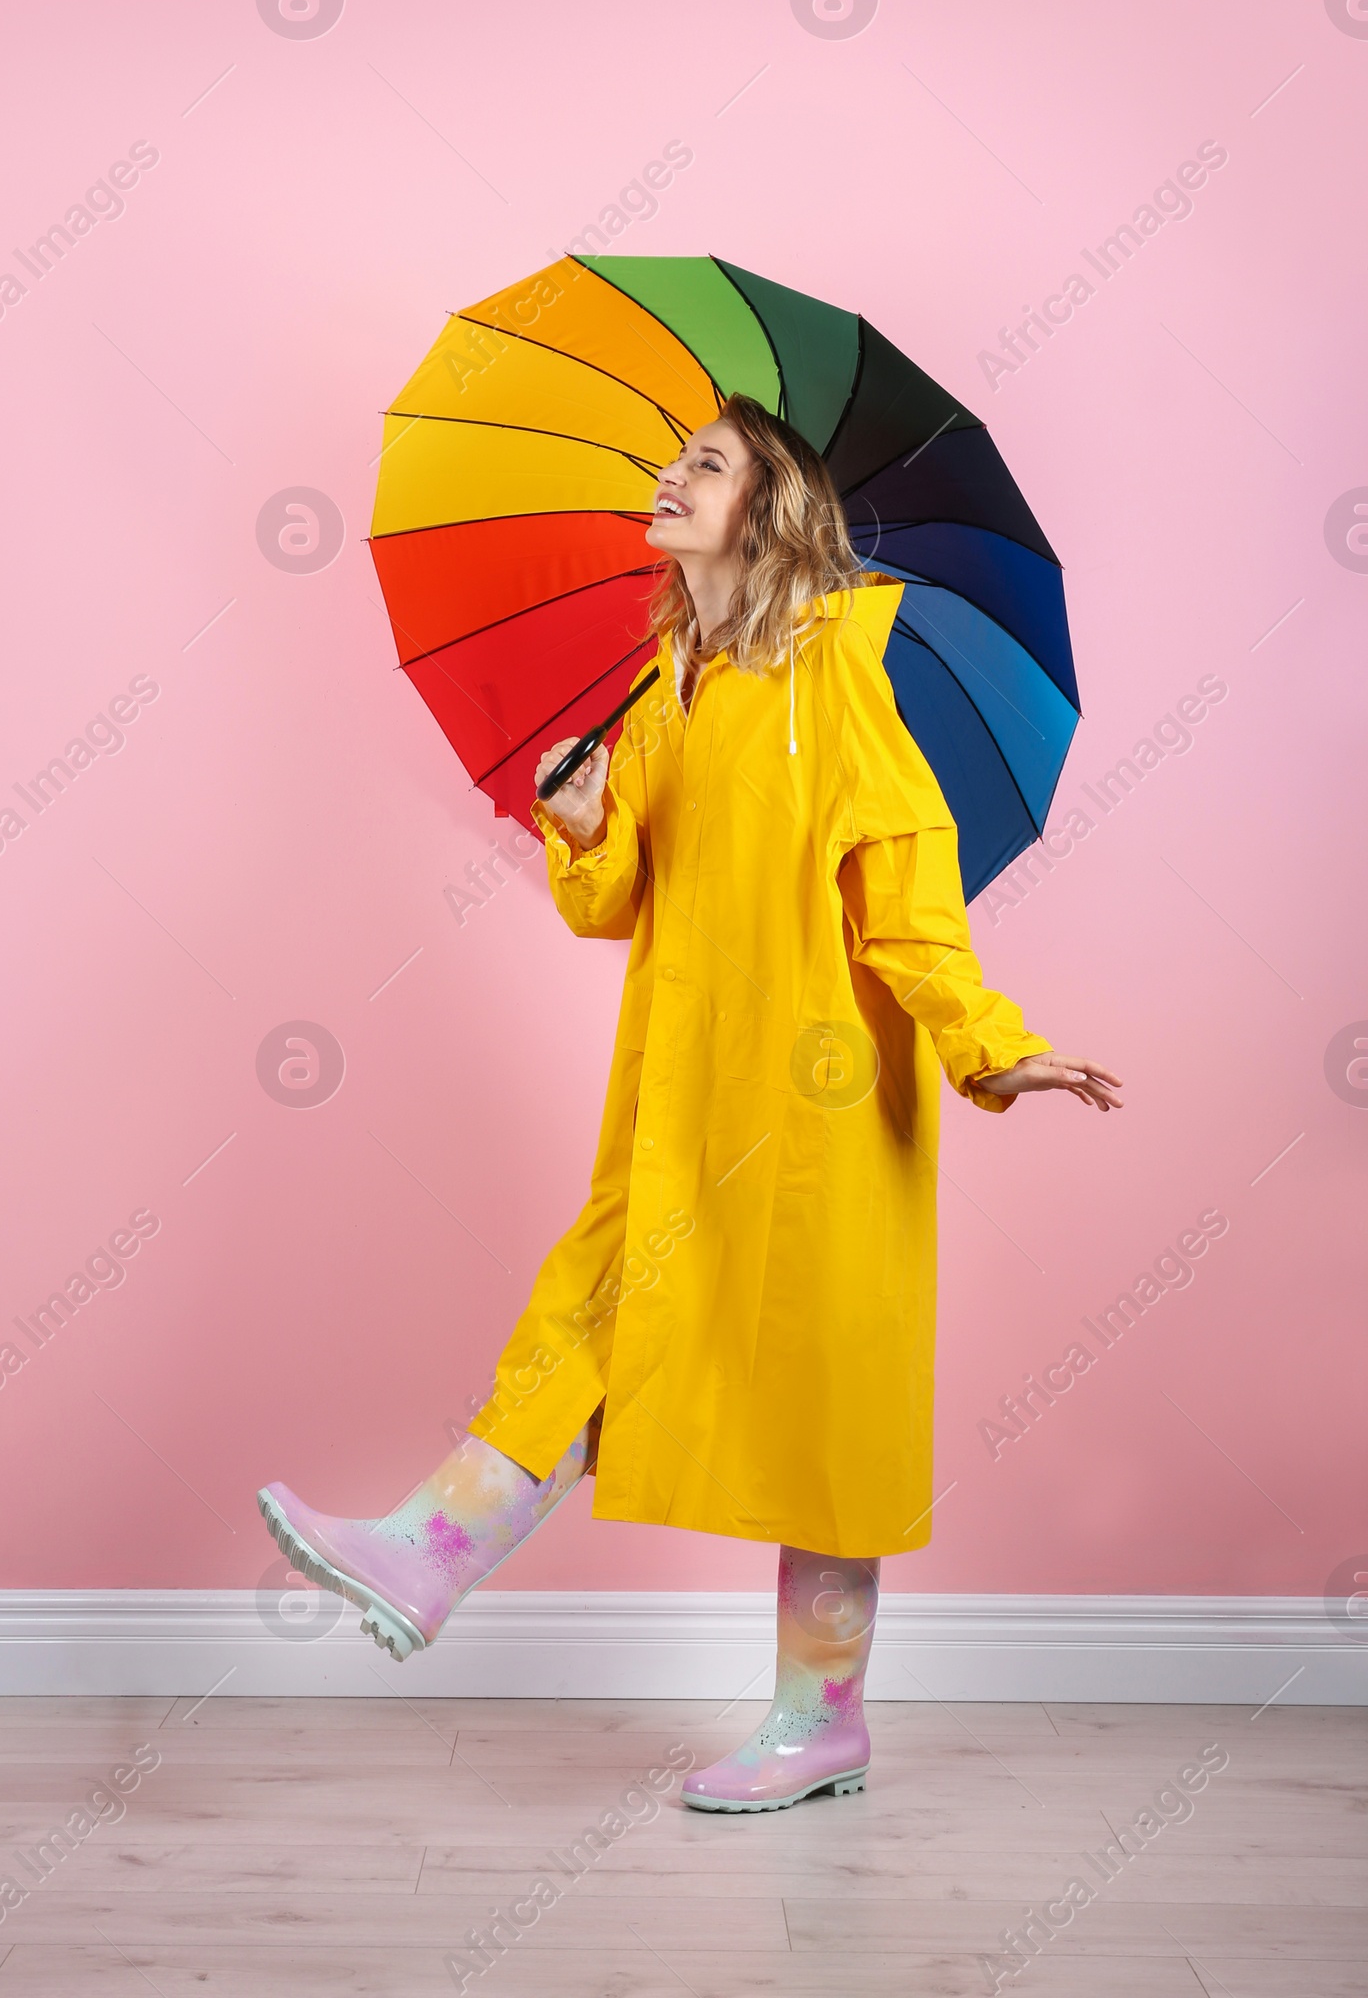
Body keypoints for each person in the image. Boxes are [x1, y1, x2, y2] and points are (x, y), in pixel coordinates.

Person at [259, 395, 1122, 1814]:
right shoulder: (668, 683)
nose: (672, 478)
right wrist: (583, 824)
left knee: (831, 1407)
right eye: (676, 461)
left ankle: (818, 1720)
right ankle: (432, 1545)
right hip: (682, 1089)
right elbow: (612, 904)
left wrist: (988, 1044)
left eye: (705, 464)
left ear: (769, 506)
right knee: (598, 1300)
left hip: (829, 1108)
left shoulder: (844, 659)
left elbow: (906, 885)